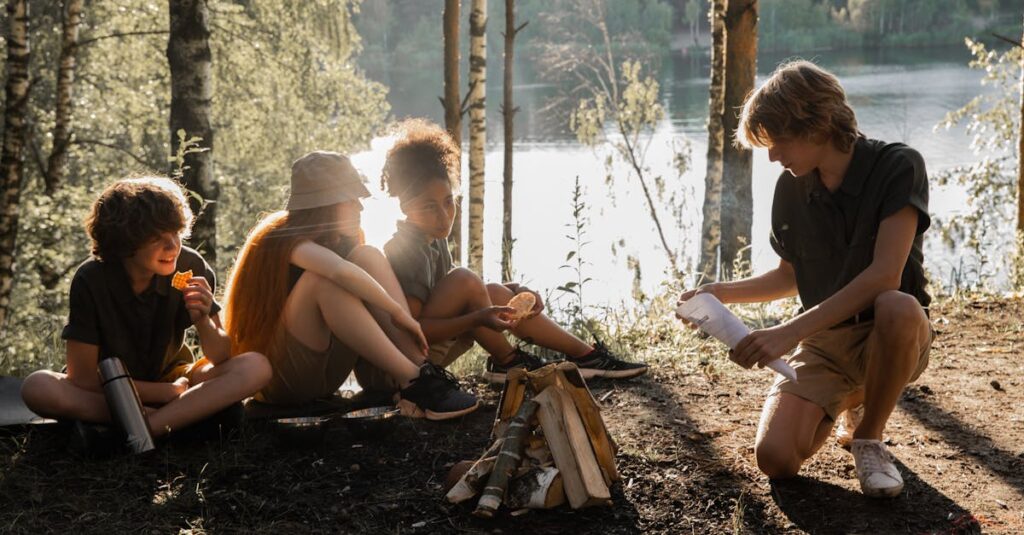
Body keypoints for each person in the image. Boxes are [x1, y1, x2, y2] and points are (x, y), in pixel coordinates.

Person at [677, 60, 933, 498]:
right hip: (824, 344)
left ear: (816, 123)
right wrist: (719, 293)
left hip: (891, 336)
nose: (772, 155)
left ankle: (869, 438)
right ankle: (851, 395)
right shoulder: (791, 187)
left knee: (897, 303)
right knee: (776, 459)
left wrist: (787, 332)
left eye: (778, 141)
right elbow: (788, 276)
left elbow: (884, 275)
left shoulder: (898, 166)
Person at [379, 119, 648, 385]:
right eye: (429, 207)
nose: (443, 215)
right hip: (406, 366)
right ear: (405, 206)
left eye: (448, 202)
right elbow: (414, 330)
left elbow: (451, 298)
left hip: (433, 348)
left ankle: (586, 356)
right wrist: (477, 316)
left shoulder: (431, 239)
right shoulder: (405, 250)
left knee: (494, 291)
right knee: (465, 279)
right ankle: (508, 361)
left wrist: (516, 290)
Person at [223, 151, 479, 420]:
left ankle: (423, 374)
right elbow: (340, 273)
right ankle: (413, 380)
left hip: (324, 374)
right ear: (325, 205)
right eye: (351, 200)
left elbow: (352, 273)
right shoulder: (284, 241)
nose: (360, 207)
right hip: (282, 380)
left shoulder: (343, 239)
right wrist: (398, 312)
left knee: (367, 254)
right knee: (322, 281)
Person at [20, 177, 271, 440]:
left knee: (255, 366)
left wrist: (203, 322)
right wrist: (164, 394)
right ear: (125, 242)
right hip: (110, 388)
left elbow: (220, 356)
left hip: (177, 378)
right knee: (37, 387)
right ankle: (176, 419)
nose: (173, 246)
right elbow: (82, 379)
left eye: (176, 232)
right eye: (157, 238)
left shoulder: (189, 265)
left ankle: (140, 430)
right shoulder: (91, 279)